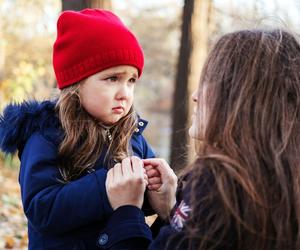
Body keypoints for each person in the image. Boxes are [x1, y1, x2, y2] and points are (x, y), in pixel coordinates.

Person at [98, 28, 300, 250]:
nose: (195, 95)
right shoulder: (277, 181)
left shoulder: (221, 186)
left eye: (211, 83)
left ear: (242, 99)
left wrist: (126, 211)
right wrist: (172, 210)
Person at [0, 8, 161, 250]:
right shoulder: (47, 136)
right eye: (112, 79)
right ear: (76, 83)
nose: (124, 94)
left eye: (131, 81)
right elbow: (41, 209)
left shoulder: (132, 135)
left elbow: (139, 200)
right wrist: (105, 190)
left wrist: (156, 188)